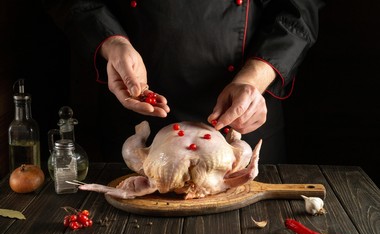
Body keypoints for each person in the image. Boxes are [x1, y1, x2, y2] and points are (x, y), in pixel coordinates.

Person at [44, 0, 325, 163]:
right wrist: (112, 43)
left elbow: (298, 9)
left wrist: (254, 78)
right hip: (138, 121)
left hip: (242, 120)